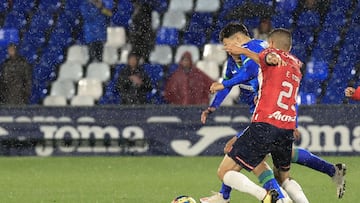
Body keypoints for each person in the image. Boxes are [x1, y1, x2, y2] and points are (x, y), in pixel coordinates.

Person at [207, 28, 309, 203]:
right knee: (280, 175)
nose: (227, 48)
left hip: (264, 122)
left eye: (226, 44)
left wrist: (224, 84)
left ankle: (267, 197)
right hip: (283, 125)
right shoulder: (295, 64)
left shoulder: (261, 49)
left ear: (271, 44)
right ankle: (281, 197)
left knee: (226, 169)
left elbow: (264, 60)